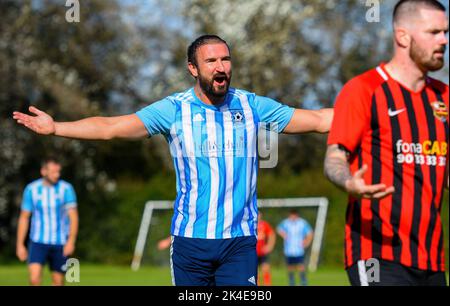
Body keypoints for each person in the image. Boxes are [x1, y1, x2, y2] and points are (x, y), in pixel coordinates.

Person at [13, 34, 333, 286]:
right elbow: (111, 127)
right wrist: (56, 128)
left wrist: (368, 111)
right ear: (193, 68)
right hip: (190, 244)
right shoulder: (174, 110)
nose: (220, 67)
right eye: (210, 61)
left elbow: (319, 120)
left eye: (225, 59)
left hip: (240, 242)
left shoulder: (252, 106)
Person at [324, 0, 448, 286]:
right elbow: (334, 157)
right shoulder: (364, 89)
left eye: (445, 32)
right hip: (375, 253)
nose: (443, 40)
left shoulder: (444, 97)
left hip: (431, 258)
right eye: (433, 32)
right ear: (403, 36)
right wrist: (349, 183)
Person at [16, 157, 79, 286]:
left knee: (58, 282)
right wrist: (20, 244)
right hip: (37, 241)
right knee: (34, 279)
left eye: (58, 172)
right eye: (53, 172)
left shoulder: (66, 189)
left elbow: (73, 217)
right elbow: (24, 217)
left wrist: (71, 241)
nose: (57, 175)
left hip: (60, 242)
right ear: (43, 171)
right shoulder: (31, 189)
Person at [277, 210, 313, 286]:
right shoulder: (286, 222)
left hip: (299, 249)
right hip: (288, 249)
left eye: (294, 215)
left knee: (301, 265)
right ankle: (291, 282)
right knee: (290, 266)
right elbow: (278, 229)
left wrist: (307, 241)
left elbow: (310, 232)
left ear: (297, 215)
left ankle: (303, 281)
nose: (292, 217)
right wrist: (284, 235)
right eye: (291, 215)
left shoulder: (302, 223)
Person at [256, 212, 276, 286]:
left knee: (266, 268)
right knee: (255, 271)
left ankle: (267, 284)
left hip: (262, 252)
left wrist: (270, 246)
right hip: (253, 252)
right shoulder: (250, 225)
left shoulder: (264, 225)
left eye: (259, 215)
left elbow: (272, 235)